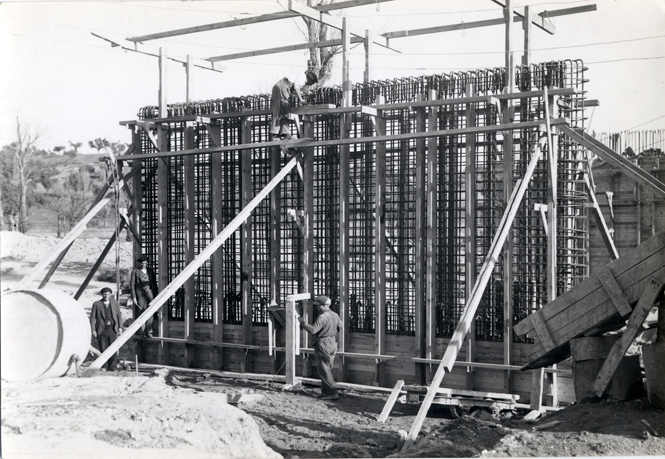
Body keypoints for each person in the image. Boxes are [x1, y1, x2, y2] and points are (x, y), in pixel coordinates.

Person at [298, 295, 342, 400]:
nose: (317, 308)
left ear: (323, 305)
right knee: (327, 369)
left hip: (323, 343)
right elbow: (340, 326)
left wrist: (303, 323)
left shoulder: (322, 317)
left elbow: (313, 330)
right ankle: (326, 392)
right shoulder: (335, 315)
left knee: (325, 370)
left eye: (318, 306)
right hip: (332, 342)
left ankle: (332, 393)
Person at [270, 70, 318, 141]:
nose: (310, 85)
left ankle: (284, 133)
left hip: (280, 87)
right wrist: (301, 99)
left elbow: (299, 89)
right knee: (281, 108)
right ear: (309, 79)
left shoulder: (299, 77)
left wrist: (307, 93)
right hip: (282, 87)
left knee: (283, 110)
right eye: (311, 83)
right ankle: (275, 133)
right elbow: (296, 87)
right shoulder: (303, 77)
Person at [90, 287, 123, 371]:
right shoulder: (96, 304)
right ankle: (104, 366)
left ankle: (113, 366)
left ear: (110, 294)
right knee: (103, 348)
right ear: (102, 294)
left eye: (108, 294)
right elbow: (92, 318)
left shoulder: (115, 303)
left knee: (113, 347)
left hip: (112, 329)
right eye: (104, 294)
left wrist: (120, 327)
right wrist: (93, 330)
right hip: (101, 330)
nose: (106, 296)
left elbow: (119, 315)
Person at [130, 256, 158, 338]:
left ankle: (149, 331)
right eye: (142, 263)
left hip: (149, 291)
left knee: (151, 310)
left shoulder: (150, 271)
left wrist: (155, 294)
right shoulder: (135, 271)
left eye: (145, 263)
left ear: (147, 263)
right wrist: (134, 297)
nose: (143, 264)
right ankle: (141, 331)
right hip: (140, 293)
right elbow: (132, 285)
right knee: (141, 310)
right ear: (140, 263)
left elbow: (154, 283)